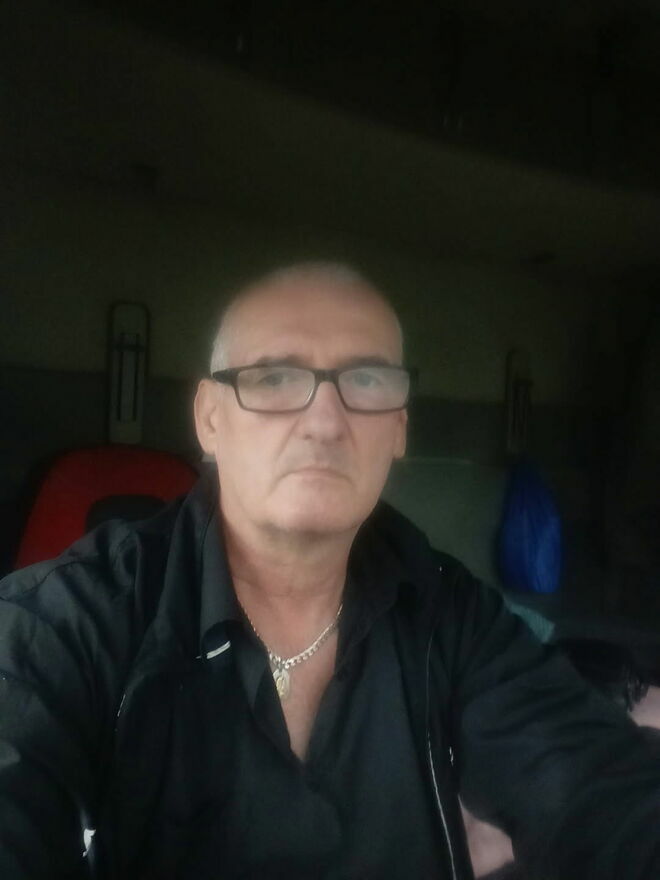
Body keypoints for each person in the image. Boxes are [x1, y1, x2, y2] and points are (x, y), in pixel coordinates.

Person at [1, 262, 659, 879]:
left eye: (366, 381)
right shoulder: (64, 621)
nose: (323, 421)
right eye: (274, 377)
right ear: (210, 419)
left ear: (398, 428)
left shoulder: (449, 615)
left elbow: (599, 790)